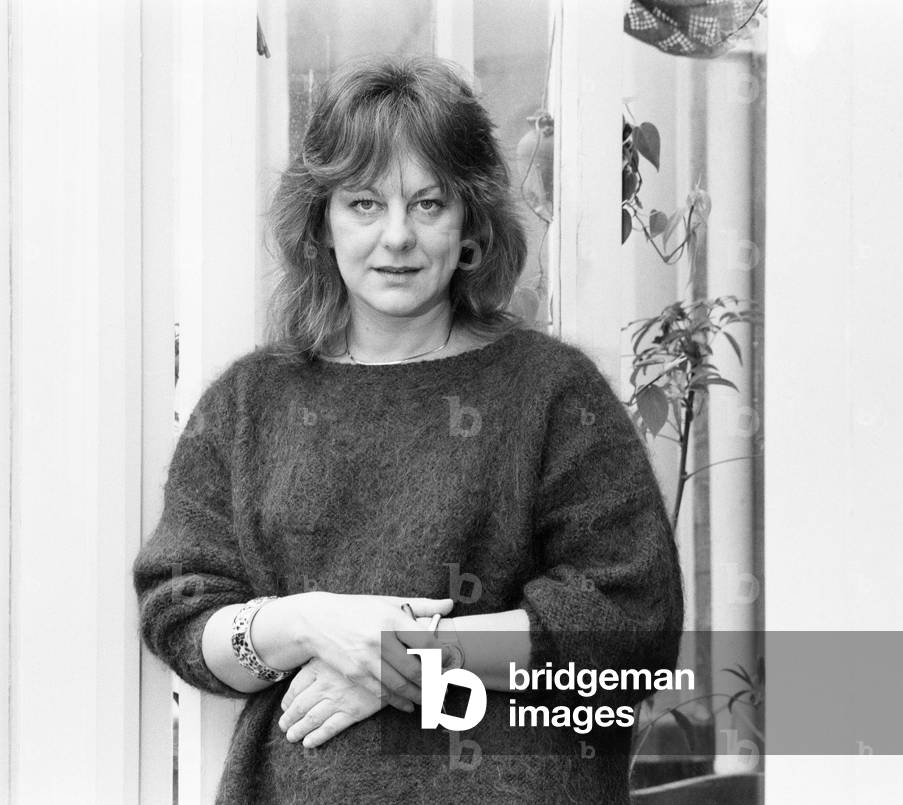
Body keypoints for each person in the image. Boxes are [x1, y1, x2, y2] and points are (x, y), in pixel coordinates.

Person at [132, 54, 683, 805]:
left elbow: (628, 625)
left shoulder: (551, 391)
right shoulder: (247, 404)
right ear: (321, 222)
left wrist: (406, 660)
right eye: (363, 203)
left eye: (427, 205)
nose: (395, 236)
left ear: (470, 228)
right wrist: (310, 623)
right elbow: (181, 620)